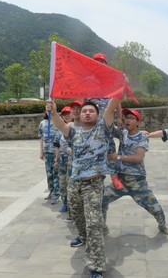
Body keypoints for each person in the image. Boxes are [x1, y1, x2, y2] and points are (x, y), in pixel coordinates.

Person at [46, 98, 120, 278]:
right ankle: (85, 239)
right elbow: (61, 127)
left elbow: (110, 109)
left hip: (93, 184)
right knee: (78, 218)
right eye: (85, 110)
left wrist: (118, 91)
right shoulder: (73, 130)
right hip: (74, 183)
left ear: (97, 115)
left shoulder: (103, 129)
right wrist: (53, 113)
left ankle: (96, 266)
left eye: (91, 111)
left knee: (93, 223)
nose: (87, 113)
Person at [102, 108, 168, 235]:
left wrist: (117, 157)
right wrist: (114, 109)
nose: (127, 120)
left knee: (154, 206)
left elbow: (137, 158)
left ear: (138, 123)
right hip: (120, 180)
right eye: (126, 117)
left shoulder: (142, 137)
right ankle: (102, 227)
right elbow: (108, 125)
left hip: (137, 181)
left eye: (131, 118)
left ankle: (163, 225)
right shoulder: (122, 133)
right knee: (101, 199)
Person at [86, 52, 123, 190]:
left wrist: (119, 116)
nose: (100, 64)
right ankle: (94, 176)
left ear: (106, 65)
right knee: (92, 149)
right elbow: (83, 102)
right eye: (97, 62)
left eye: (102, 62)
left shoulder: (111, 83)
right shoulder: (87, 82)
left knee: (111, 149)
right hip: (92, 124)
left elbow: (117, 101)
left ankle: (114, 177)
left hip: (106, 122)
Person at [38, 112, 60, 205]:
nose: (48, 110)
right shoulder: (42, 123)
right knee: (49, 174)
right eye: (47, 108)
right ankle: (51, 191)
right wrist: (41, 151)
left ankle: (56, 194)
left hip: (56, 152)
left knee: (56, 174)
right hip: (47, 152)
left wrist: (58, 156)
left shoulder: (58, 122)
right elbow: (41, 138)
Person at [54, 106, 73, 213]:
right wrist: (56, 160)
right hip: (62, 161)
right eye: (64, 114)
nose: (66, 116)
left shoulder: (77, 127)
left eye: (68, 113)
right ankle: (65, 203)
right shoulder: (59, 130)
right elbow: (57, 146)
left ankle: (72, 204)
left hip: (73, 161)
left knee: (71, 183)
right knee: (62, 182)